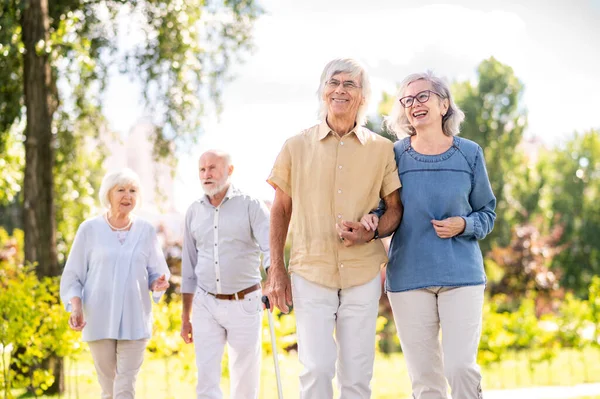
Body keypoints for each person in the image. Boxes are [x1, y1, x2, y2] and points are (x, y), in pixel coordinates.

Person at [265, 58, 403, 399]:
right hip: (310, 270)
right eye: (333, 82)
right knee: (316, 368)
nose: (339, 90)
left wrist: (371, 232)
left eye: (349, 84)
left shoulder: (382, 149)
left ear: (363, 96)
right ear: (323, 91)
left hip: (363, 273)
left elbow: (395, 209)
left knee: (357, 375)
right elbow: (281, 208)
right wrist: (276, 270)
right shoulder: (296, 146)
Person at [361, 71, 496, 399]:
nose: (414, 104)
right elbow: (384, 208)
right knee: (425, 382)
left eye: (423, 96)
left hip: (461, 275)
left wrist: (464, 225)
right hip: (409, 278)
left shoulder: (469, 153)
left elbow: (487, 214)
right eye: (407, 100)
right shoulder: (394, 155)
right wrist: (370, 218)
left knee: (461, 368)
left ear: (444, 104)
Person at [60, 168, 170, 399]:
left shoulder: (146, 230)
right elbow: (73, 275)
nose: (127, 196)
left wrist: (158, 284)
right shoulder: (89, 229)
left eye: (132, 190)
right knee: (109, 388)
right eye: (121, 190)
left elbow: (156, 273)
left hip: (135, 318)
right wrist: (76, 306)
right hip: (99, 318)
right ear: (108, 194)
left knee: (125, 388)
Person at [180, 150, 270, 399]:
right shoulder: (193, 211)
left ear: (229, 171)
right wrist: (185, 316)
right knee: (206, 380)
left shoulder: (251, 204)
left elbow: (270, 247)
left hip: (245, 303)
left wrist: (274, 280)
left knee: (244, 378)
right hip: (205, 303)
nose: (206, 174)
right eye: (202, 169)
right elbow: (189, 267)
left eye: (212, 168)